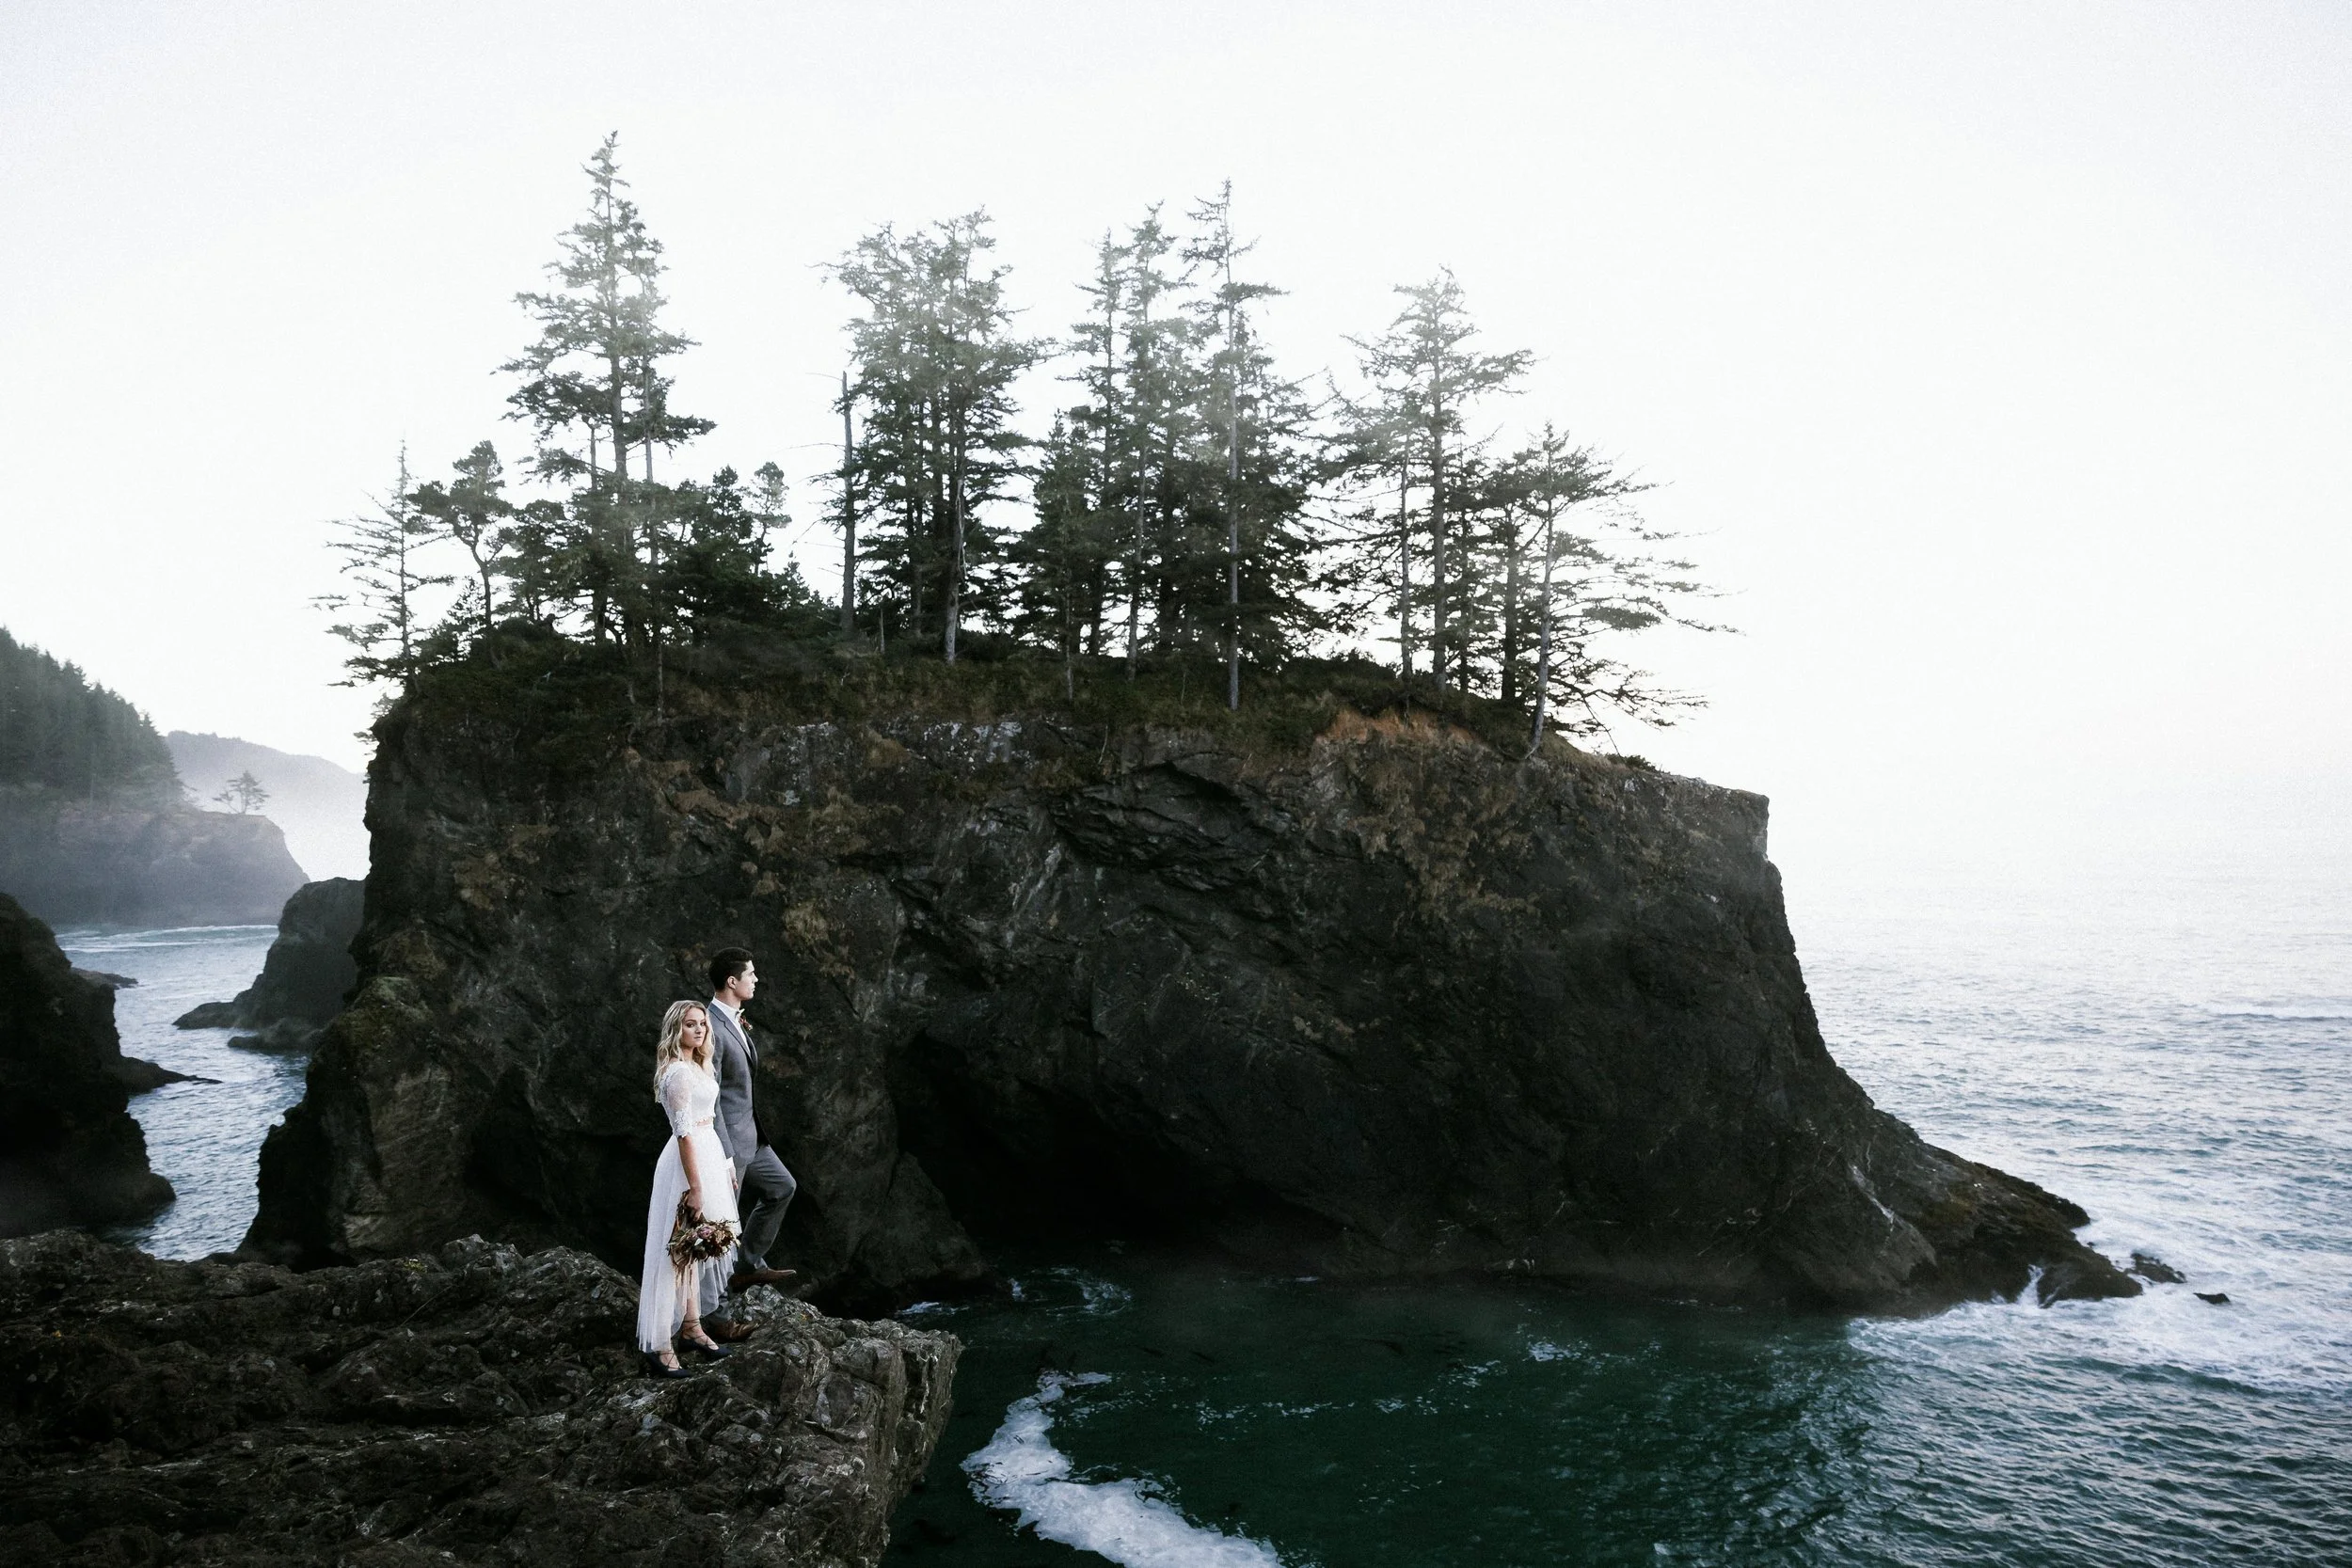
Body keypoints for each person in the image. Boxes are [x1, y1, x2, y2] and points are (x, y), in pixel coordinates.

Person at [634, 1001, 740, 1376]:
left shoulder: (698, 1066)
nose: (699, 1031)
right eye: (690, 1025)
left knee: (695, 1247)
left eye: (703, 1025)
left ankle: (693, 1326)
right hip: (687, 1162)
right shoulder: (677, 1073)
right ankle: (660, 1343)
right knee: (677, 1251)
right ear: (675, 1030)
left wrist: (723, 1166)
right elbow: (683, 1134)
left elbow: (708, 1120)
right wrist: (696, 1186)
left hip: (708, 1154)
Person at [698, 947, 798, 1342]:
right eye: (751, 975)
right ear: (731, 982)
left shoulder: (735, 1021)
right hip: (728, 1145)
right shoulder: (710, 1026)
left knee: (782, 1187)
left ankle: (747, 1264)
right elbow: (711, 1097)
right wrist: (723, 1153)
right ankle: (718, 1318)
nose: (756, 980)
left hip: (752, 1138)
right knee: (722, 1227)